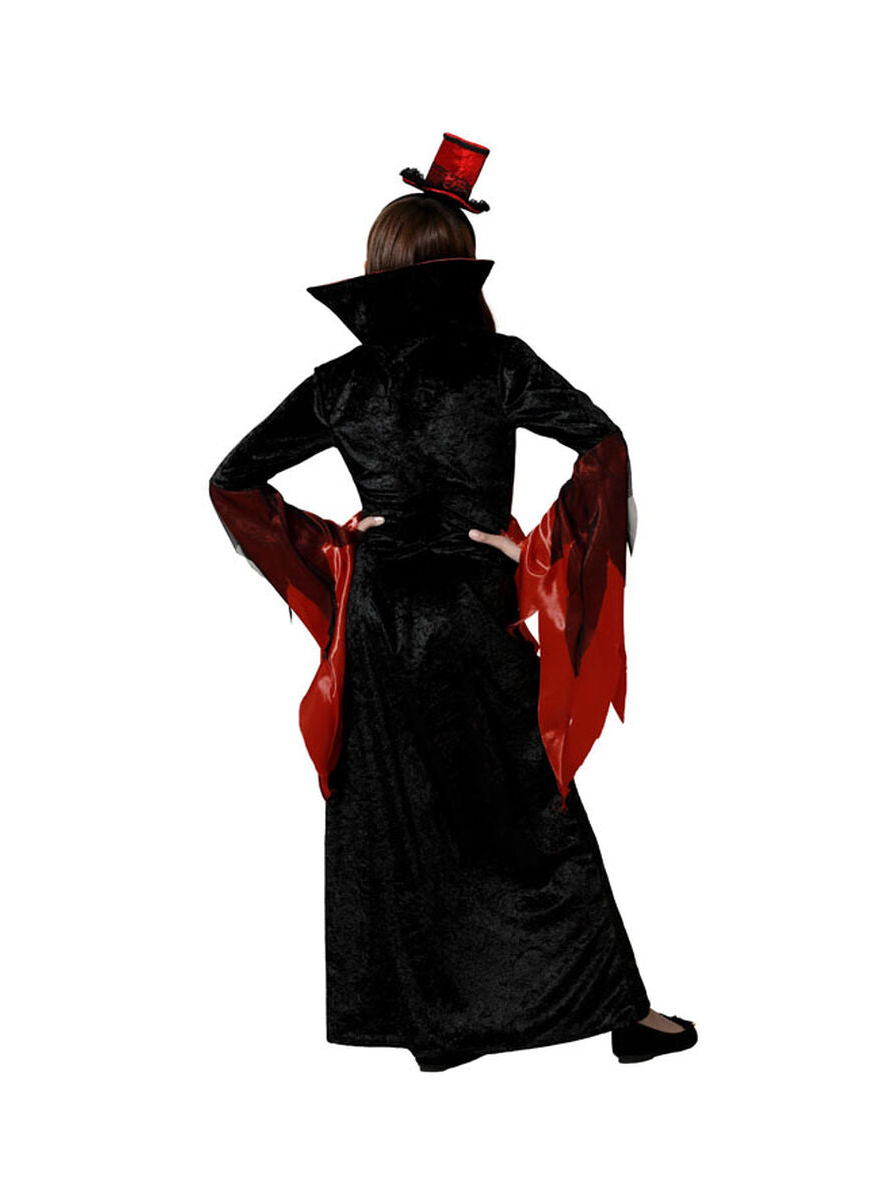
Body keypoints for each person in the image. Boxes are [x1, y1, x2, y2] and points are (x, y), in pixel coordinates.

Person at [208, 133, 698, 1071]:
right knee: (529, 806)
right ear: (462, 268)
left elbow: (233, 480)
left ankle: (437, 1024)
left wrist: (337, 545)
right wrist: (534, 551)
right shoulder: (499, 364)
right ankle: (619, 1013)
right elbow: (602, 444)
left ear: (376, 270)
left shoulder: (339, 386)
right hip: (473, 608)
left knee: (403, 810)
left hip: (380, 616)